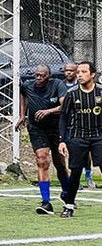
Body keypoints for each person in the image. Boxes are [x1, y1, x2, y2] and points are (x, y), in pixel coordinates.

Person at [16, 65, 68, 214]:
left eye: (42, 76)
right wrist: (22, 115)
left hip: (56, 127)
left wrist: (48, 111)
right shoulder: (27, 86)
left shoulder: (57, 85)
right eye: (36, 75)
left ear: (49, 76)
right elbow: (23, 94)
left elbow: (65, 105)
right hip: (37, 128)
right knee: (42, 159)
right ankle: (46, 202)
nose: (38, 78)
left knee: (60, 163)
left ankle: (66, 193)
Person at [58, 61, 102, 217]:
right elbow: (63, 117)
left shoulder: (100, 92)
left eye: (84, 72)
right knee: (76, 171)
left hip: (98, 136)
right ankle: (69, 205)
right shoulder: (72, 93)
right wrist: (62, 140)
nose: (80, 75)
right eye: (78, 72)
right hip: (78, 136)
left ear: (92, 74)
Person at [64, 61, 95, 189]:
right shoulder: (63, 87)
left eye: (74, 70)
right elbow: (63, 110)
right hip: (73, 128)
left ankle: (88, 175)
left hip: (91, 127)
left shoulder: (86, 86)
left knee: (87, 155)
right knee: (74, 154)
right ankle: (75, 182)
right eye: (68, 71)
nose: (71, 73)